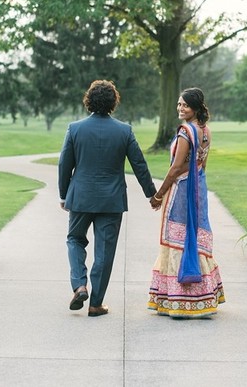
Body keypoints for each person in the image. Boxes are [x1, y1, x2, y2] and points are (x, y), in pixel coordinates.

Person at [58, 80, 157, 317]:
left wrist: (64, 194)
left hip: (81, 197)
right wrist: (151, 194)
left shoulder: (75, 128)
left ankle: (80, 285)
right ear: (114, 102)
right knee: (105, 251)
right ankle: (95, 304)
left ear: (88, 100)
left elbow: (64, 165)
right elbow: (139, 164)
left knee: (74, 239)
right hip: (111, 200)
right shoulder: (125, 131)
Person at [147, 87, 225, 318]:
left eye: (185, 105)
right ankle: (204, 296)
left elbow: (176, 168)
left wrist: (159, 194)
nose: (181, 108)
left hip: (181, 189)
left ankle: (179, 301)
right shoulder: (205, 131)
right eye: (179, 104)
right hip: (198, 188)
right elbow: (203, 165)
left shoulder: (185, 132)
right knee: (194, 233)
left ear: (196, 108)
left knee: (176, 238)